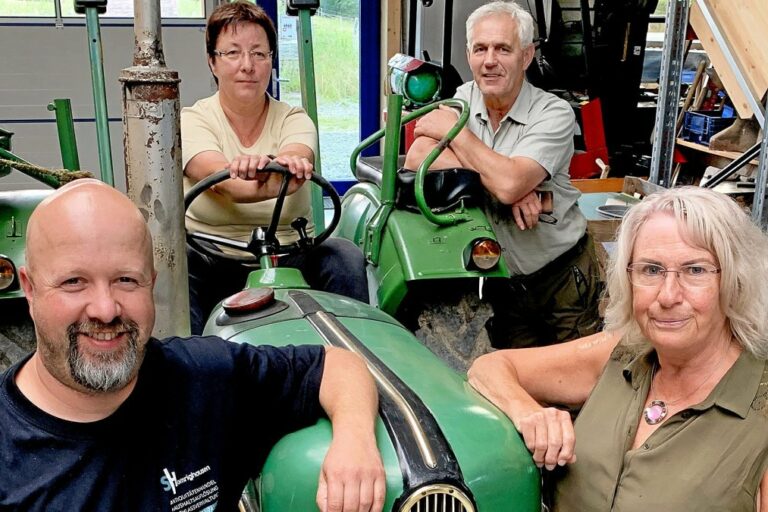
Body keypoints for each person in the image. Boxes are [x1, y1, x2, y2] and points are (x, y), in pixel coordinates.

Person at [0, 179, 386, 512]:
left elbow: (336, 366)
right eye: (74, 282)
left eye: (126, 280)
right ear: (30, 288)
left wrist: (356, 441)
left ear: (151, 283)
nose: (105, 309)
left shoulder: (203, 378)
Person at [468, 186, 768, 511]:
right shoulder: (621, 353)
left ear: (736, 281)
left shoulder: (758, 409)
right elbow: (489, 368)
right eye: (651, 270)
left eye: (695, 270)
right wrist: (529, 413)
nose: (667, 296)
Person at [403, 0, 600, 349]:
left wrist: (459, 138)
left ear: (525, 56)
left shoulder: (553, 113)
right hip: (503, 281)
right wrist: (503, 183)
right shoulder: (464, 98)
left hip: (563, 277)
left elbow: (509, 183)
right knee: (518, 383)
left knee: (581, 382)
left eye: (502, 49)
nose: (489, 60)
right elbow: (418, 157)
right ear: (469, 55)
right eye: (480, 49)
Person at [181, 1, 367, 335]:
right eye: (233, 53)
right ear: (213, 62)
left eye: (259, 53)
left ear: (271, 60)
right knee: (177, 262)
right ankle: (194, 364)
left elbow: (295, 159)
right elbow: (223, 182)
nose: (247, 66)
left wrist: (283, 167)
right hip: (214, 256)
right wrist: (269, 173)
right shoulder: (192, 120)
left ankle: (354, 356)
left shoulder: (294, 118)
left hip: (289, 255)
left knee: (344, 255)